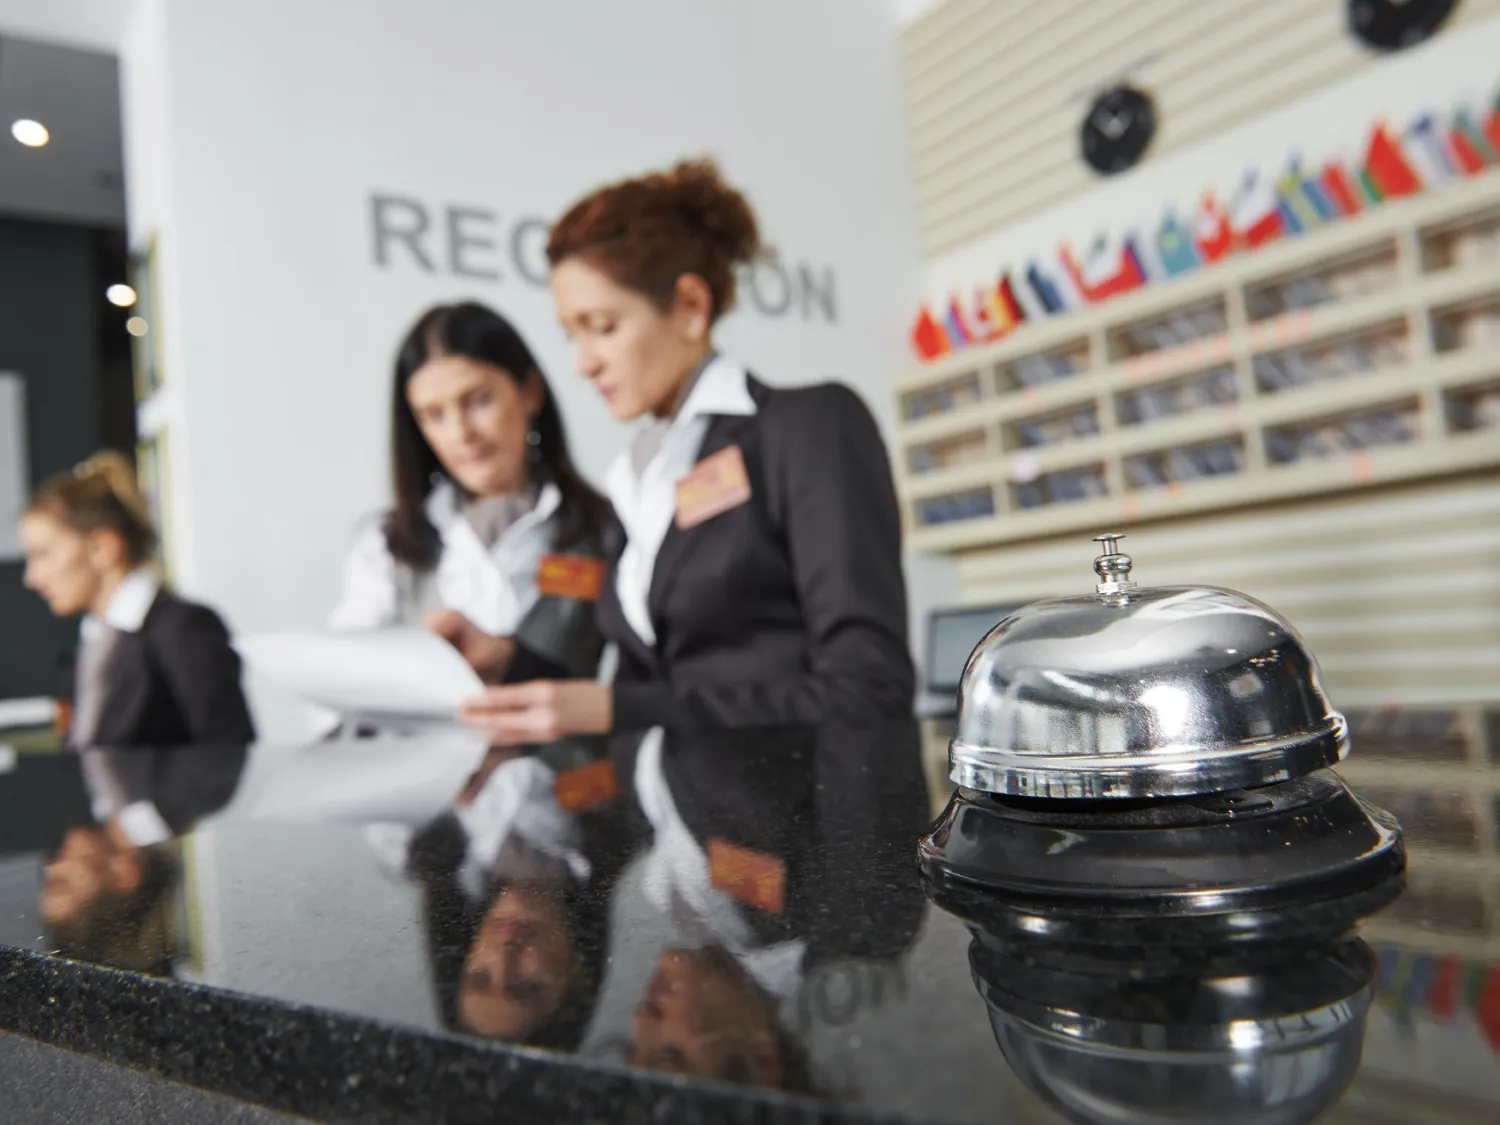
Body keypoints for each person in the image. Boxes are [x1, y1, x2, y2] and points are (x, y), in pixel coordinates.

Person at [459, 159, 914, 743]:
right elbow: (648, 678)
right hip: (667, 801)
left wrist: (620, 711)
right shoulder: (636, 477)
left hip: (797, 800)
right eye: (571, 334)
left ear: (691, 307)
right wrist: (503, 659)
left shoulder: (807, 427)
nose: (582, 363)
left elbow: (869, 690)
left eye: (602, 327)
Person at [330, 301, 613, 688]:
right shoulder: (387, 544)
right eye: (434, 415)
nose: (461, 432)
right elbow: (346, 684)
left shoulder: (607, 531)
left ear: (530, 392)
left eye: (479, 401)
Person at [19, 452, 256, 846]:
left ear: (102, 548)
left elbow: (225, 758)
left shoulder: (182, 628)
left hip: (159, 845)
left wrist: (139, 834)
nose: (32, 577)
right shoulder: (98, 637)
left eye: (43, 554)